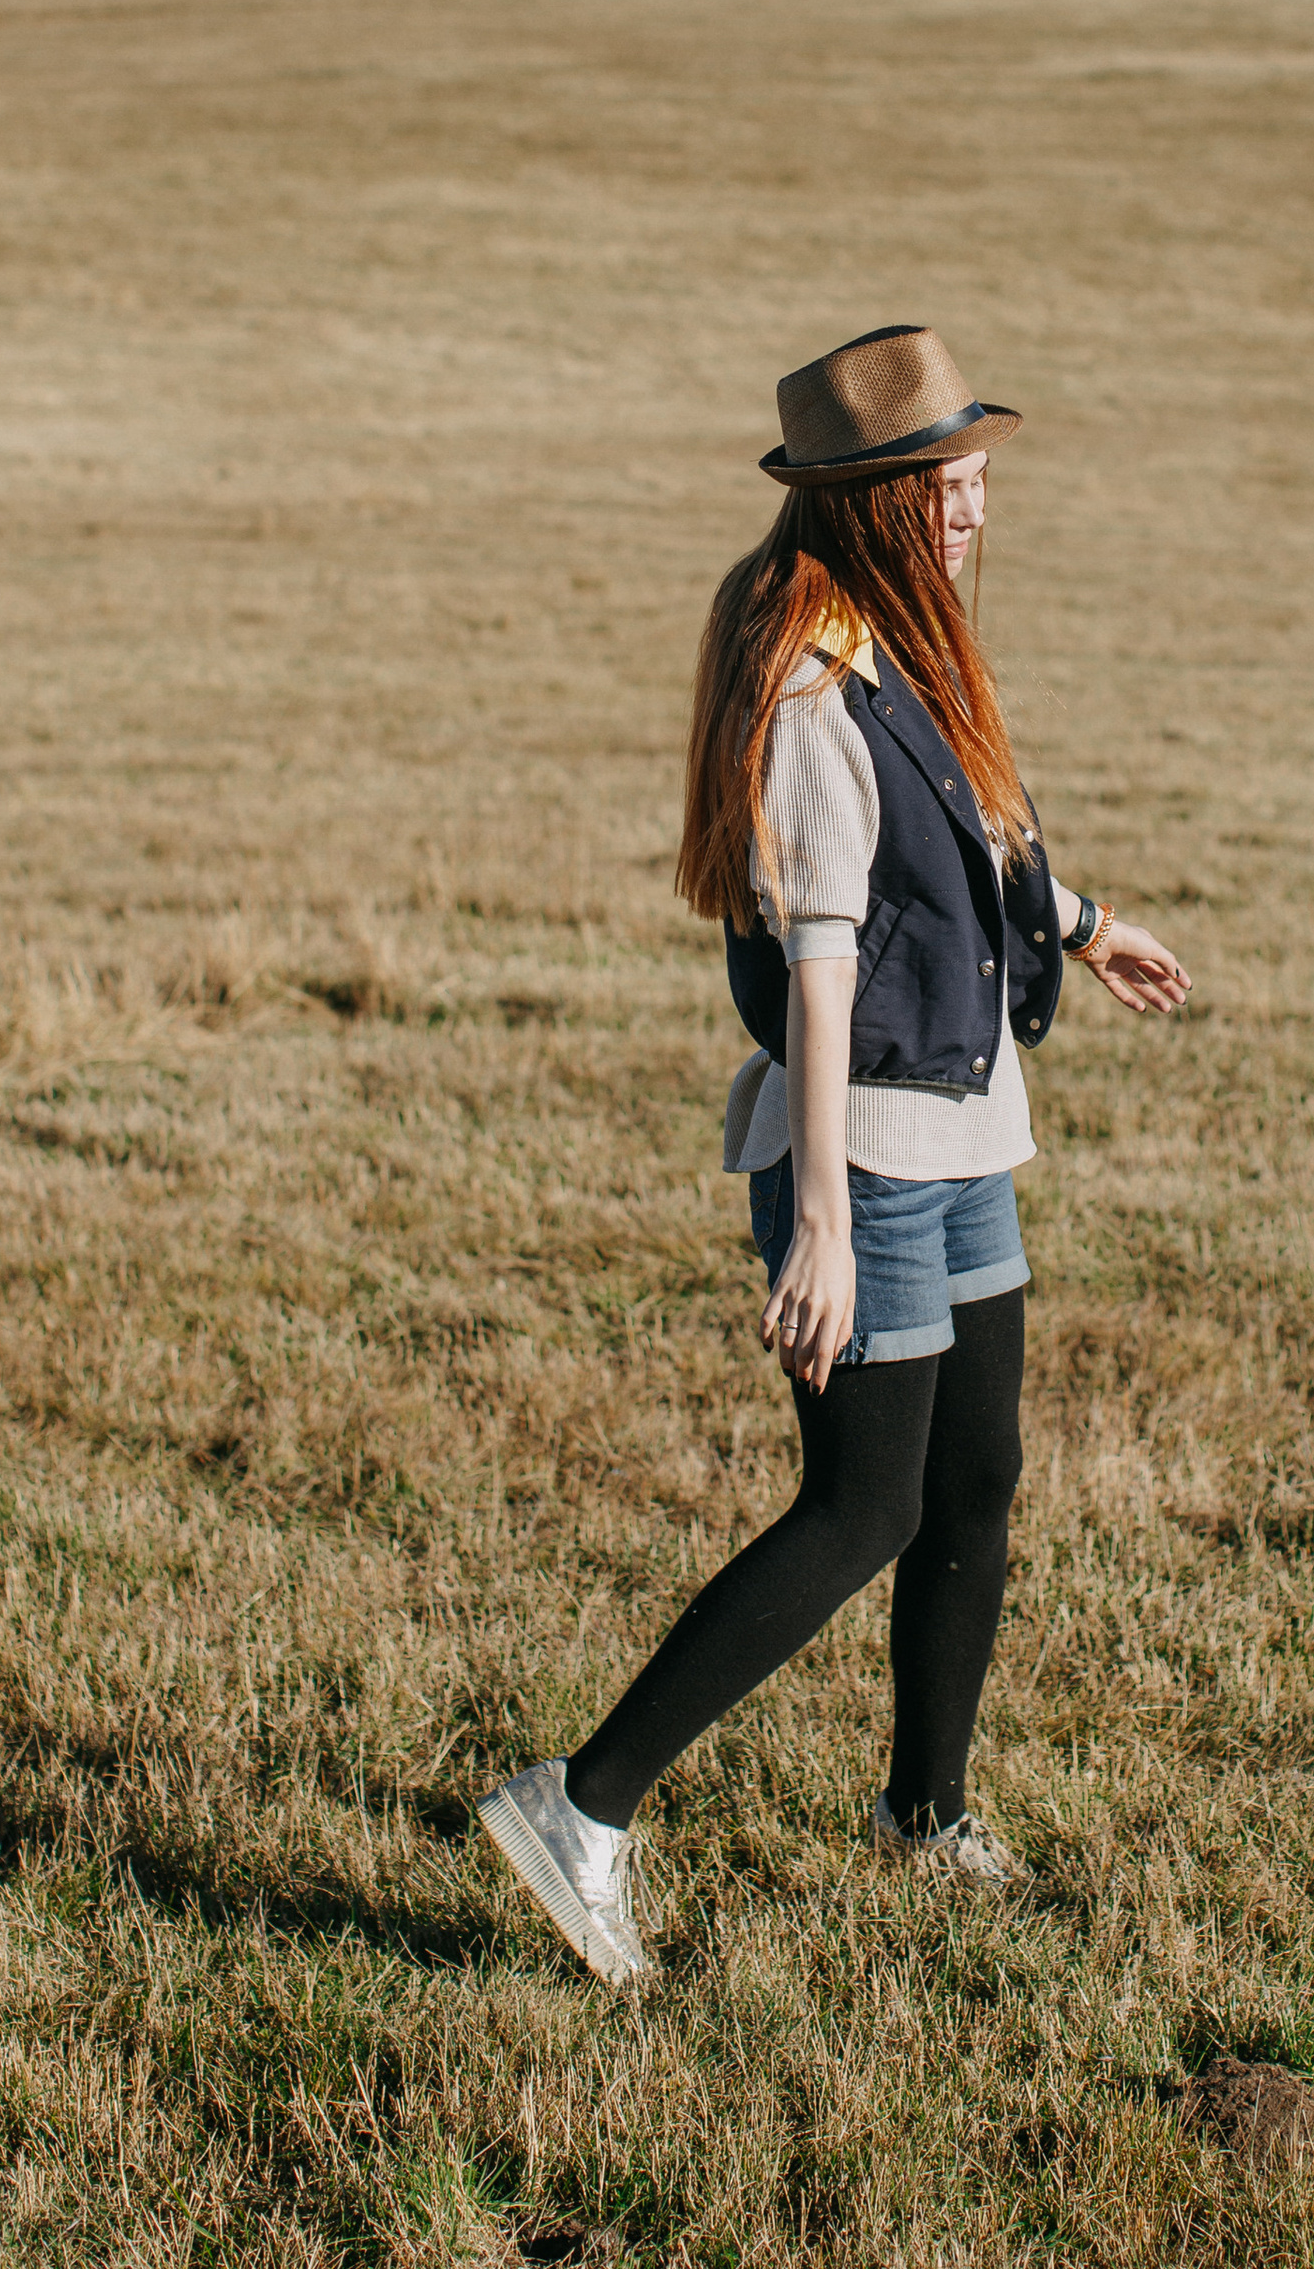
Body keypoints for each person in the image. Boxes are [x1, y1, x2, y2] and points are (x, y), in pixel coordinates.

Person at [479, 325, 1191, 1987]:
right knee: (866, 1503)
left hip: (961, 1132)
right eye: (943, 487)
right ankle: (582, 1810)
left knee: (979, 1476)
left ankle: (923, 1817)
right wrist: (817, 1219)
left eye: (978, 477)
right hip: (864, 1153)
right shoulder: (812, 681)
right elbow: (816, 962)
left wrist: (1083, 927)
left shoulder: (912, 647)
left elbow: (984, 838)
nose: (974, 510)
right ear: (870, 506)